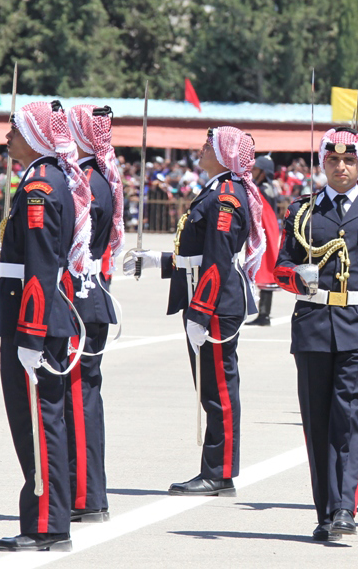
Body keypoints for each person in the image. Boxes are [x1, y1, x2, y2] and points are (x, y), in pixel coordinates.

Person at [274, 127, 358, 541]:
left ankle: (345, 508)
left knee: (348, 420)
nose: (341, 167)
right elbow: (280, 268)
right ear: (323, 164)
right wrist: (298, 276)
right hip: (313, 327)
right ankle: (325, 512)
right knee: (317, 424)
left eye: (349, 161)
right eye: (333, 160)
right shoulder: (302, 211)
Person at [125, 127, 262, 496]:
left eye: (208, 145)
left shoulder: (225, 196)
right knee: (211, 390)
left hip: (214, 303)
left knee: (219, 391)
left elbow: (217, 261)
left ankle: (220, 473)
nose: (201, 149)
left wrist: (200, 313)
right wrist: (157, 260)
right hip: (205, 297)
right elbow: (196, 257)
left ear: (224, 153)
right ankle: (216, 470)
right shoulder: (216, 190)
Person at [0, 100, 95, 552]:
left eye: (14, 131)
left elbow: (39, 266)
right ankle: (46, 521)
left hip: (32, 321)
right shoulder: (47, 179)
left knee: (38, 424)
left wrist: (31, 335)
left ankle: (47, 527)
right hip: (30, 315)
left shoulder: (39, 187)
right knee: (37, 423)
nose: (7, 138)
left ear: (34, 136)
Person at [64, 104, 124, 524]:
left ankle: (86, 495)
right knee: (81, 399)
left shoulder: (86, 180)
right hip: (90, 297)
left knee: (79, 400)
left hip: (79, 300)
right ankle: (86, 492)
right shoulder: (98, 176)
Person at [246, 155, 280, 327]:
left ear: (264, 172)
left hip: (266, 231)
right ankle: (262, 313)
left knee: (266, 270)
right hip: (265, 231)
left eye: (257, 169)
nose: (253, 171)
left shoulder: (264, 189)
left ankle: (264, 314)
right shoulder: (265, 187)